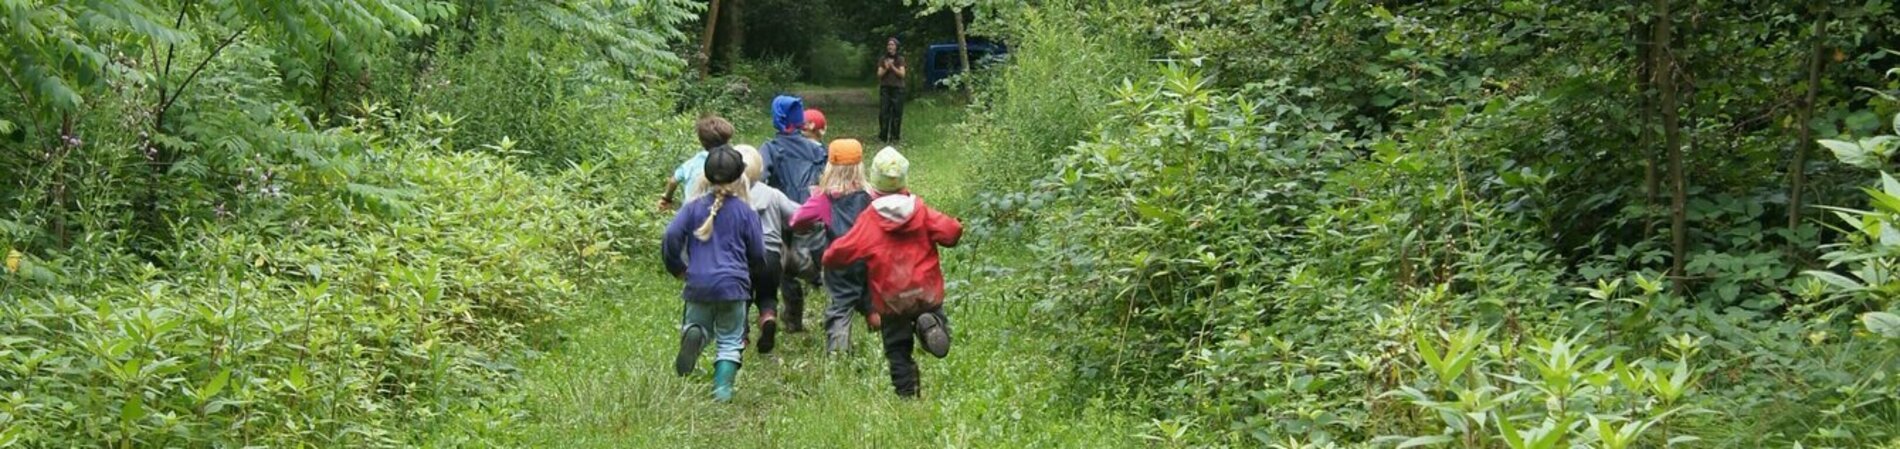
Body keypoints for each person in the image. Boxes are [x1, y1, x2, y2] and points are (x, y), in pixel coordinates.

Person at [823, 147, 960, 398]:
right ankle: (928, 326)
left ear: (873, 186)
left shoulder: (870, 219)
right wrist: (957, 226)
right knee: (934, 320)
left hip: (891, 298)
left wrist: (829, 258)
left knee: (897, 348)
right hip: (926, 291)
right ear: (905, 182)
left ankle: (908, 394)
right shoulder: (920, 210)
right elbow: (950, 233)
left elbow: (845, 249)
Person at [660, 144, 766, 403]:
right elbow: (758, 251)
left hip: (697, 284)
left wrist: (678, 268)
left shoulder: (692, 208)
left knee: (698, 324)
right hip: (734, 285)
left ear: (705, 177)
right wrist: (751, 273)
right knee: (730, 339)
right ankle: (722, 391)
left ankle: (696, 332)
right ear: (742, 176)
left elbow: (670, 237)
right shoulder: (746, 212)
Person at [789, 139, 873, 354]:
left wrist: (809, 226)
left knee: (841, 307)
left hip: (839, 263)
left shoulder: (823, 199)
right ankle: (882, 326)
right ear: (860, 168)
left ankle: (838, 352)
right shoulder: (870, 196)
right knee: (870, 298)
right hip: (870, 260)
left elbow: (796, 221)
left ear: (829, 167)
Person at [762, 96, 829, 332]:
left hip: (782, 214)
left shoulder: (770, 148)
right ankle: (820, 280)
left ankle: (793, 319)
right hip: (811, 213)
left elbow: (759, 178)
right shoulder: (816, 149)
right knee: (820, 257)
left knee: (785, 270)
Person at [732, 144, 800, 353]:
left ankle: (740, 336)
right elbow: (796, 214)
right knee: (767, 294)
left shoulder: (728, 196)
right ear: (760, 169)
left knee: (740, 299)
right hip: (770, 255)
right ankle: (768, 318)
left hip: (740, 256)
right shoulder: (772, 194)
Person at [659, 116, 733, 211]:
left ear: (701, 141)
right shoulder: (731, 163)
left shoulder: (692, 163)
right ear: (728, 140)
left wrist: (667, 198)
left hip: (690, 212)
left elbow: (673, 181)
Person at [876, 37, 907, 143]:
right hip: (885, 88)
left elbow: (902, 74)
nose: (890, 46)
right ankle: (883, 136)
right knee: (883, 113)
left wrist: (892, 67)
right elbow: (879, 74)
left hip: (898, 89)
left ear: (896, 47)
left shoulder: (900, 59)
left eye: (892, 44)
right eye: (889, 44)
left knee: (897, 113)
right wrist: (886, 68)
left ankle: (895, 136)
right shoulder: (882, 59)